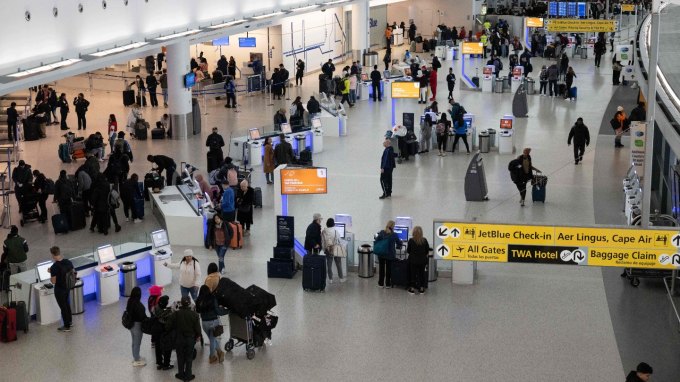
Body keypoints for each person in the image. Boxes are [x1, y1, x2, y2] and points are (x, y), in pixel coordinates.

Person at [166, 296, 201, 381]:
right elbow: (198, 330)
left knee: (180, 356)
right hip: (190, 339)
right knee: (189, 357)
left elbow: (167, 327)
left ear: (181, 303)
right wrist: (197, 336)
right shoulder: (195, 315)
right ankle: (188, 375)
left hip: (179, 339)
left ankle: (180, 374)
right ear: (190, 304)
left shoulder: (175, 314)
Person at [48, 246, 74, 332]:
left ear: (53, 255)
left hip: (59, 290)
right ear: (59, 252)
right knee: (66, 304)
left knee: (63, 307)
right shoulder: (68, 262)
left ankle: (66, 326)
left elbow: (53, 281)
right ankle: (70, 321)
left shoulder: (54, 267)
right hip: (67, 287)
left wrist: (51, 272)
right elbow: (71, 272)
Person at [196, 284, 224, 364]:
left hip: (204, 323)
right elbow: (218, 311)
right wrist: (227, 311)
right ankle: (211, 357)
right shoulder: (212, 298)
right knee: (212, 339)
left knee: (213, 339)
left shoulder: (198, 300)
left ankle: (220, 352)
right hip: (213, 322)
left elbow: (198, 311)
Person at [375, 220, 403, 288]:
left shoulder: (381, 232)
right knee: (389, 269)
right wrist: (400, 243)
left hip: (381, 253)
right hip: (390, 255)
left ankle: (380, 283)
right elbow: (399, 243)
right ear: (393, 226)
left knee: (381, 269)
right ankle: (387, 284)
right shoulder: (394, 234)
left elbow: (377, 240)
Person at [126, 286, 148, 367]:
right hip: (137, 325)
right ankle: (136, 360)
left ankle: (136, 356)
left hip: (131, 325)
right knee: (137, 343)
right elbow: (142, 316)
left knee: (134, 341)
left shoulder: (130, 301)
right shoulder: (138, 305)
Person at [151, 295, 174, 370]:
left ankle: (159, 363)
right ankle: (166, 365)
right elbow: (167, 322)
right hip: (164, 332)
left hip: (156, 331)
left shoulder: (154, 308)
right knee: (167, 347)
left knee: (158, 347)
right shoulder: (168, 313)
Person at [406, 226, 429, 294]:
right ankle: (421, 289)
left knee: (412, 274)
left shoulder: (411, 240)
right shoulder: (424, 240)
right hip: (422, 261)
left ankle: (412, 289)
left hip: (413, 261)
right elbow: (427, 251)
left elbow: (408, 251)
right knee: (422, 274)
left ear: (414, 232)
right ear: (421, 232)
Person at [321, 218, 345, 283]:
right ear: (333, 224)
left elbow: (322, 242)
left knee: (329, 264)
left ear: (327, 224)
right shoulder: (335, 231)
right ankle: (341, 278)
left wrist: (324, 249)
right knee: (338, 264)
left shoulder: (323, 231)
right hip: (335, 248)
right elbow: (339, 241)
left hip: (328, 249)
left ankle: (330, 279)